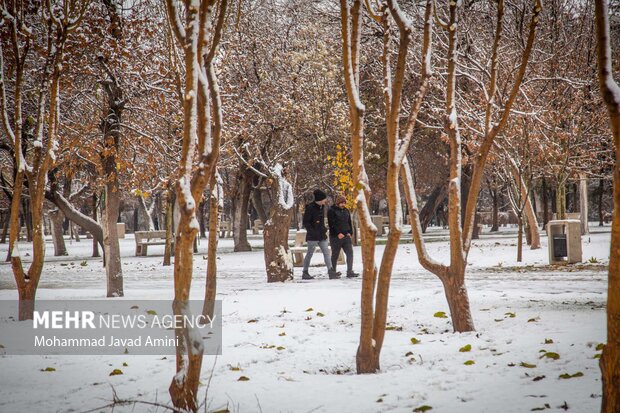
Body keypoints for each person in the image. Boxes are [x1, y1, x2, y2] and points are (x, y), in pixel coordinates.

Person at [302, 189, 341, 280]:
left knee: (326, 253)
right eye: (324, 199)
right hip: (312, 236)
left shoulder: (322, 207)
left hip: (321, 235)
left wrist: (323, 229)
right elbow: (306, 222)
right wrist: (312, 231)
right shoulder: (310, 208)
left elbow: (321, 221)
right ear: (320, 199)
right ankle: (305, 272)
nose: (325, 200)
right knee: (310, 253)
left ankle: (331, 271)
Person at [328, 194, 359, 278]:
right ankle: (332, 272)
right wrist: (338, 233)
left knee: (350, 253)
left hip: (346, 236)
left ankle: (350, 271)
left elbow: (349, 222)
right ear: (338, 203)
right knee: (335, 255)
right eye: (341, 203)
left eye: (344, 203)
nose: (343, 204)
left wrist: (350, 232)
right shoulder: (331, 210)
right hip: (336, 237)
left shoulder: (346, 210)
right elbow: (332, 224)